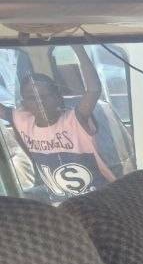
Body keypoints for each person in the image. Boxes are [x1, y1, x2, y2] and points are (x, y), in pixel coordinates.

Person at [0, 45, 114, 202]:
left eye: (45, 95)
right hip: (61, 204)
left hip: (99, 198)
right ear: (24, 104)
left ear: (58, 98)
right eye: (32, 98)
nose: (40, 102)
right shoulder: (22, 121)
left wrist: (78, 47)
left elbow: (93, 90)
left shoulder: (75, 120)